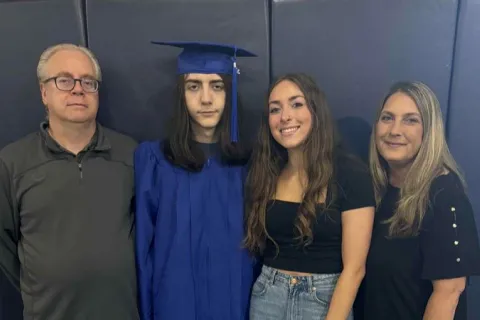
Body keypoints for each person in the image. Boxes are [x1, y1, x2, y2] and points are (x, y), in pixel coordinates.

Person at [0, 43, 139, 320]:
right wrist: (41, 285)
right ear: (44, 92)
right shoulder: (13, 163)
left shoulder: (131, 156)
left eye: (88, 82)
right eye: (64, 80)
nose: (78, 89)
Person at [134, 41, 256, 320]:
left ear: (230, 92)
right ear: (181, 95)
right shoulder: (154, 160)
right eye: (193, 86)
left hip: (235, 303)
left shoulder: (248, 164)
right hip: (174, 304)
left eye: (217, 86)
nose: (205, 99)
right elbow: (143, 249)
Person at [244, 73, 375, 320]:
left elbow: (355, 269)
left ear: (315, 110)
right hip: (267, 296)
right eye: (275, 109)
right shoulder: (267, 173)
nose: (285, 116)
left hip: (324, 300)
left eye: (296, 104)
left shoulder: (351, 174)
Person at [363, 81, 480, 320]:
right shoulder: (377, 190)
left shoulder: (445, 196)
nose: (395, 130)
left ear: (429, 131)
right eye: (387, 118)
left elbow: (448, 293)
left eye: (410, 120)